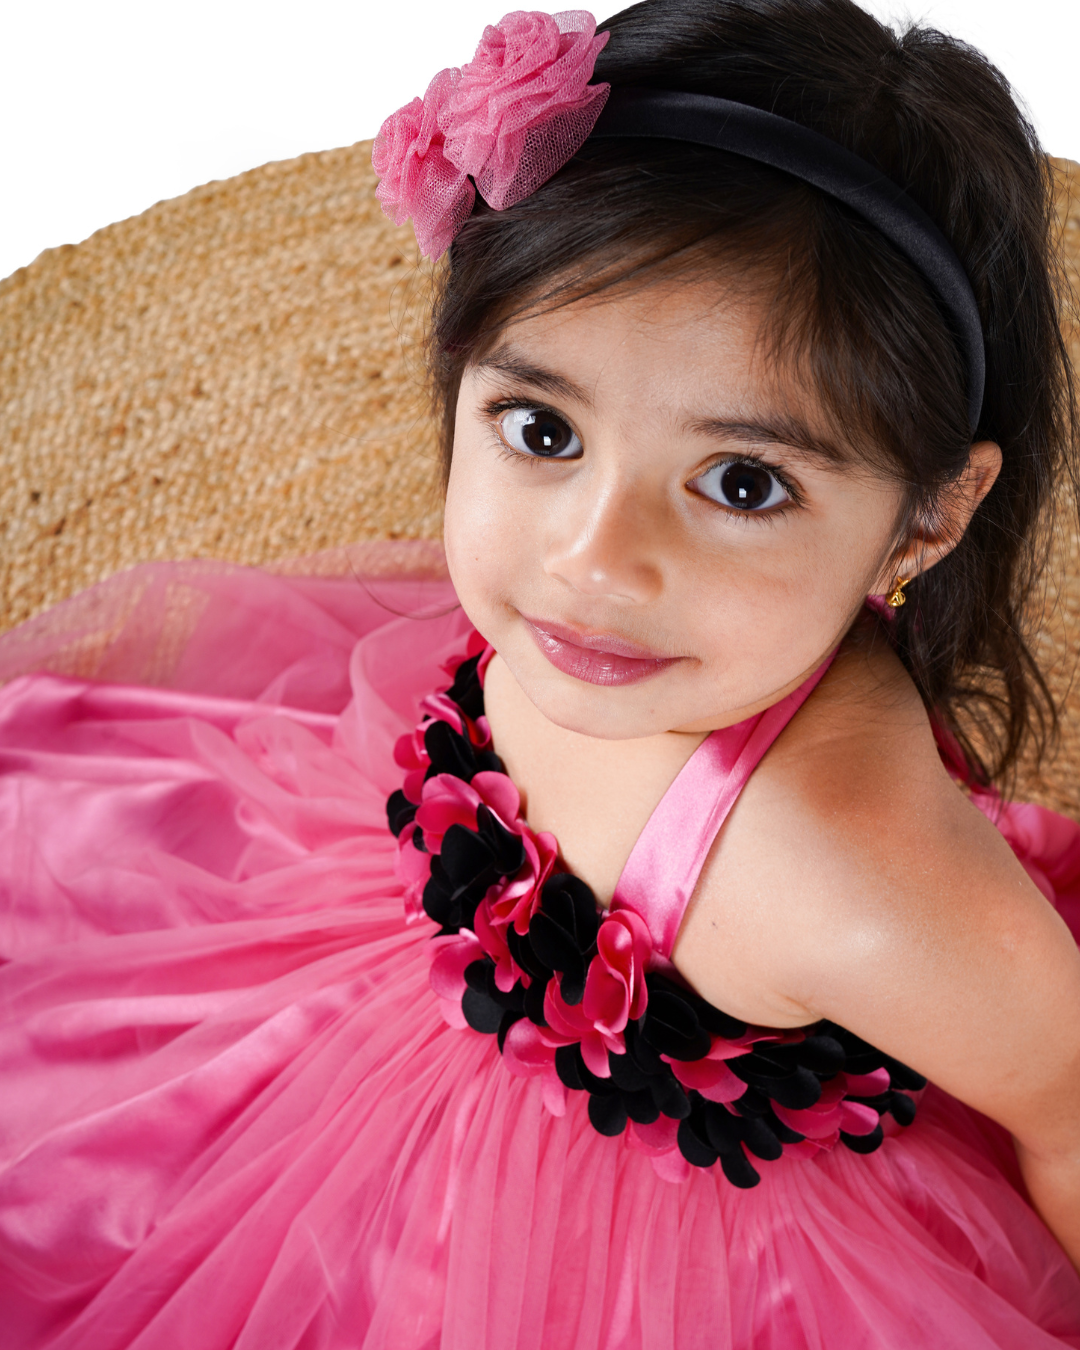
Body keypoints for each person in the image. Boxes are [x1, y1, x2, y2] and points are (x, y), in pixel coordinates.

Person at [1, 0, 1079, 1344]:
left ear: (926, 517)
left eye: (741, 482)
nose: (593, 558)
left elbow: (1070, 1107)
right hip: (371, 979)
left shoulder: (864, 891)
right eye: (542, 427)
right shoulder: (630, 633)